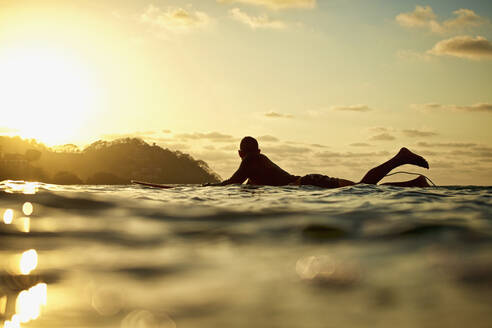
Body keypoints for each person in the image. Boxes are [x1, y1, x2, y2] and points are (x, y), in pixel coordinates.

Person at [206, 136, 431, 188]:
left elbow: (232, 182)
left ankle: (400, 158)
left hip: (309, 184)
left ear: (239, 154)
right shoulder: (259, 161)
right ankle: (414, 184)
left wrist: (207, 187)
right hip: (309, 181)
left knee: (363, 188)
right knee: (363, 188)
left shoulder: (251, 160)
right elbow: (244, 184)